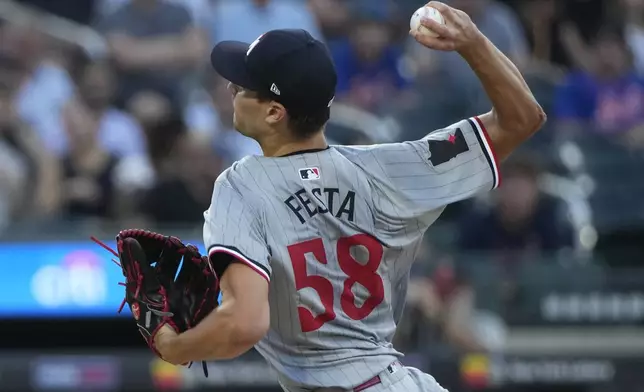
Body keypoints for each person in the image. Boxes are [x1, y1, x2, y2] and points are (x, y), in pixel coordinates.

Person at [150, 2, 545, 391]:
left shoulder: (240, 186)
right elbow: (523, 118)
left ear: (274, 112)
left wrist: (173, 346)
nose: (231, 88)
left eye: (242, 85)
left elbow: (245, 324)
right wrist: (473, 42)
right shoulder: (389, 169)